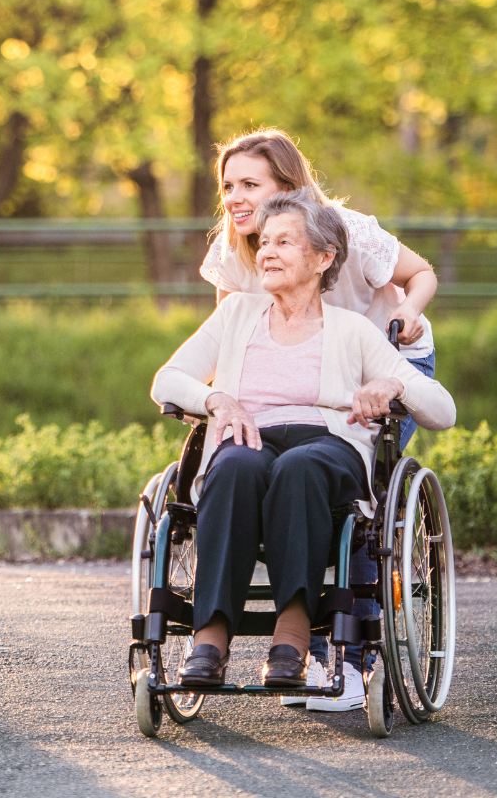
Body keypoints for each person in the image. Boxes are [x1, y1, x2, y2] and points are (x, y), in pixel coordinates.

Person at [151, 191, 455, 693]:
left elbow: (443, 409)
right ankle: (210, 636)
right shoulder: (236, 316)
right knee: (232, 468)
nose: (266, 251)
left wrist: (395, 385)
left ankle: (290, 634)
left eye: (284, 242)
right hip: (249, 437)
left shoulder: (353, 330)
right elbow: (167, 379)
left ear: (323, 258)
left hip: (327, 447)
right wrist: (217, 400)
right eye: (264, 242)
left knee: (301, 467)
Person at [199, 128, 437, 710]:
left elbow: (421, 272)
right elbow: (232, 340)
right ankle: (231, 635)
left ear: (288, 185)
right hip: (299, 378)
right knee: (250, 465)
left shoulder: (345, 230)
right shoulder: (236, 247)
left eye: (250, 183)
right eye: (228, 185)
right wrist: (220, 403)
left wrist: (406, 309)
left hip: (385, 357)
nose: (234, 196)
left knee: (354, 499)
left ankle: (351, 660)